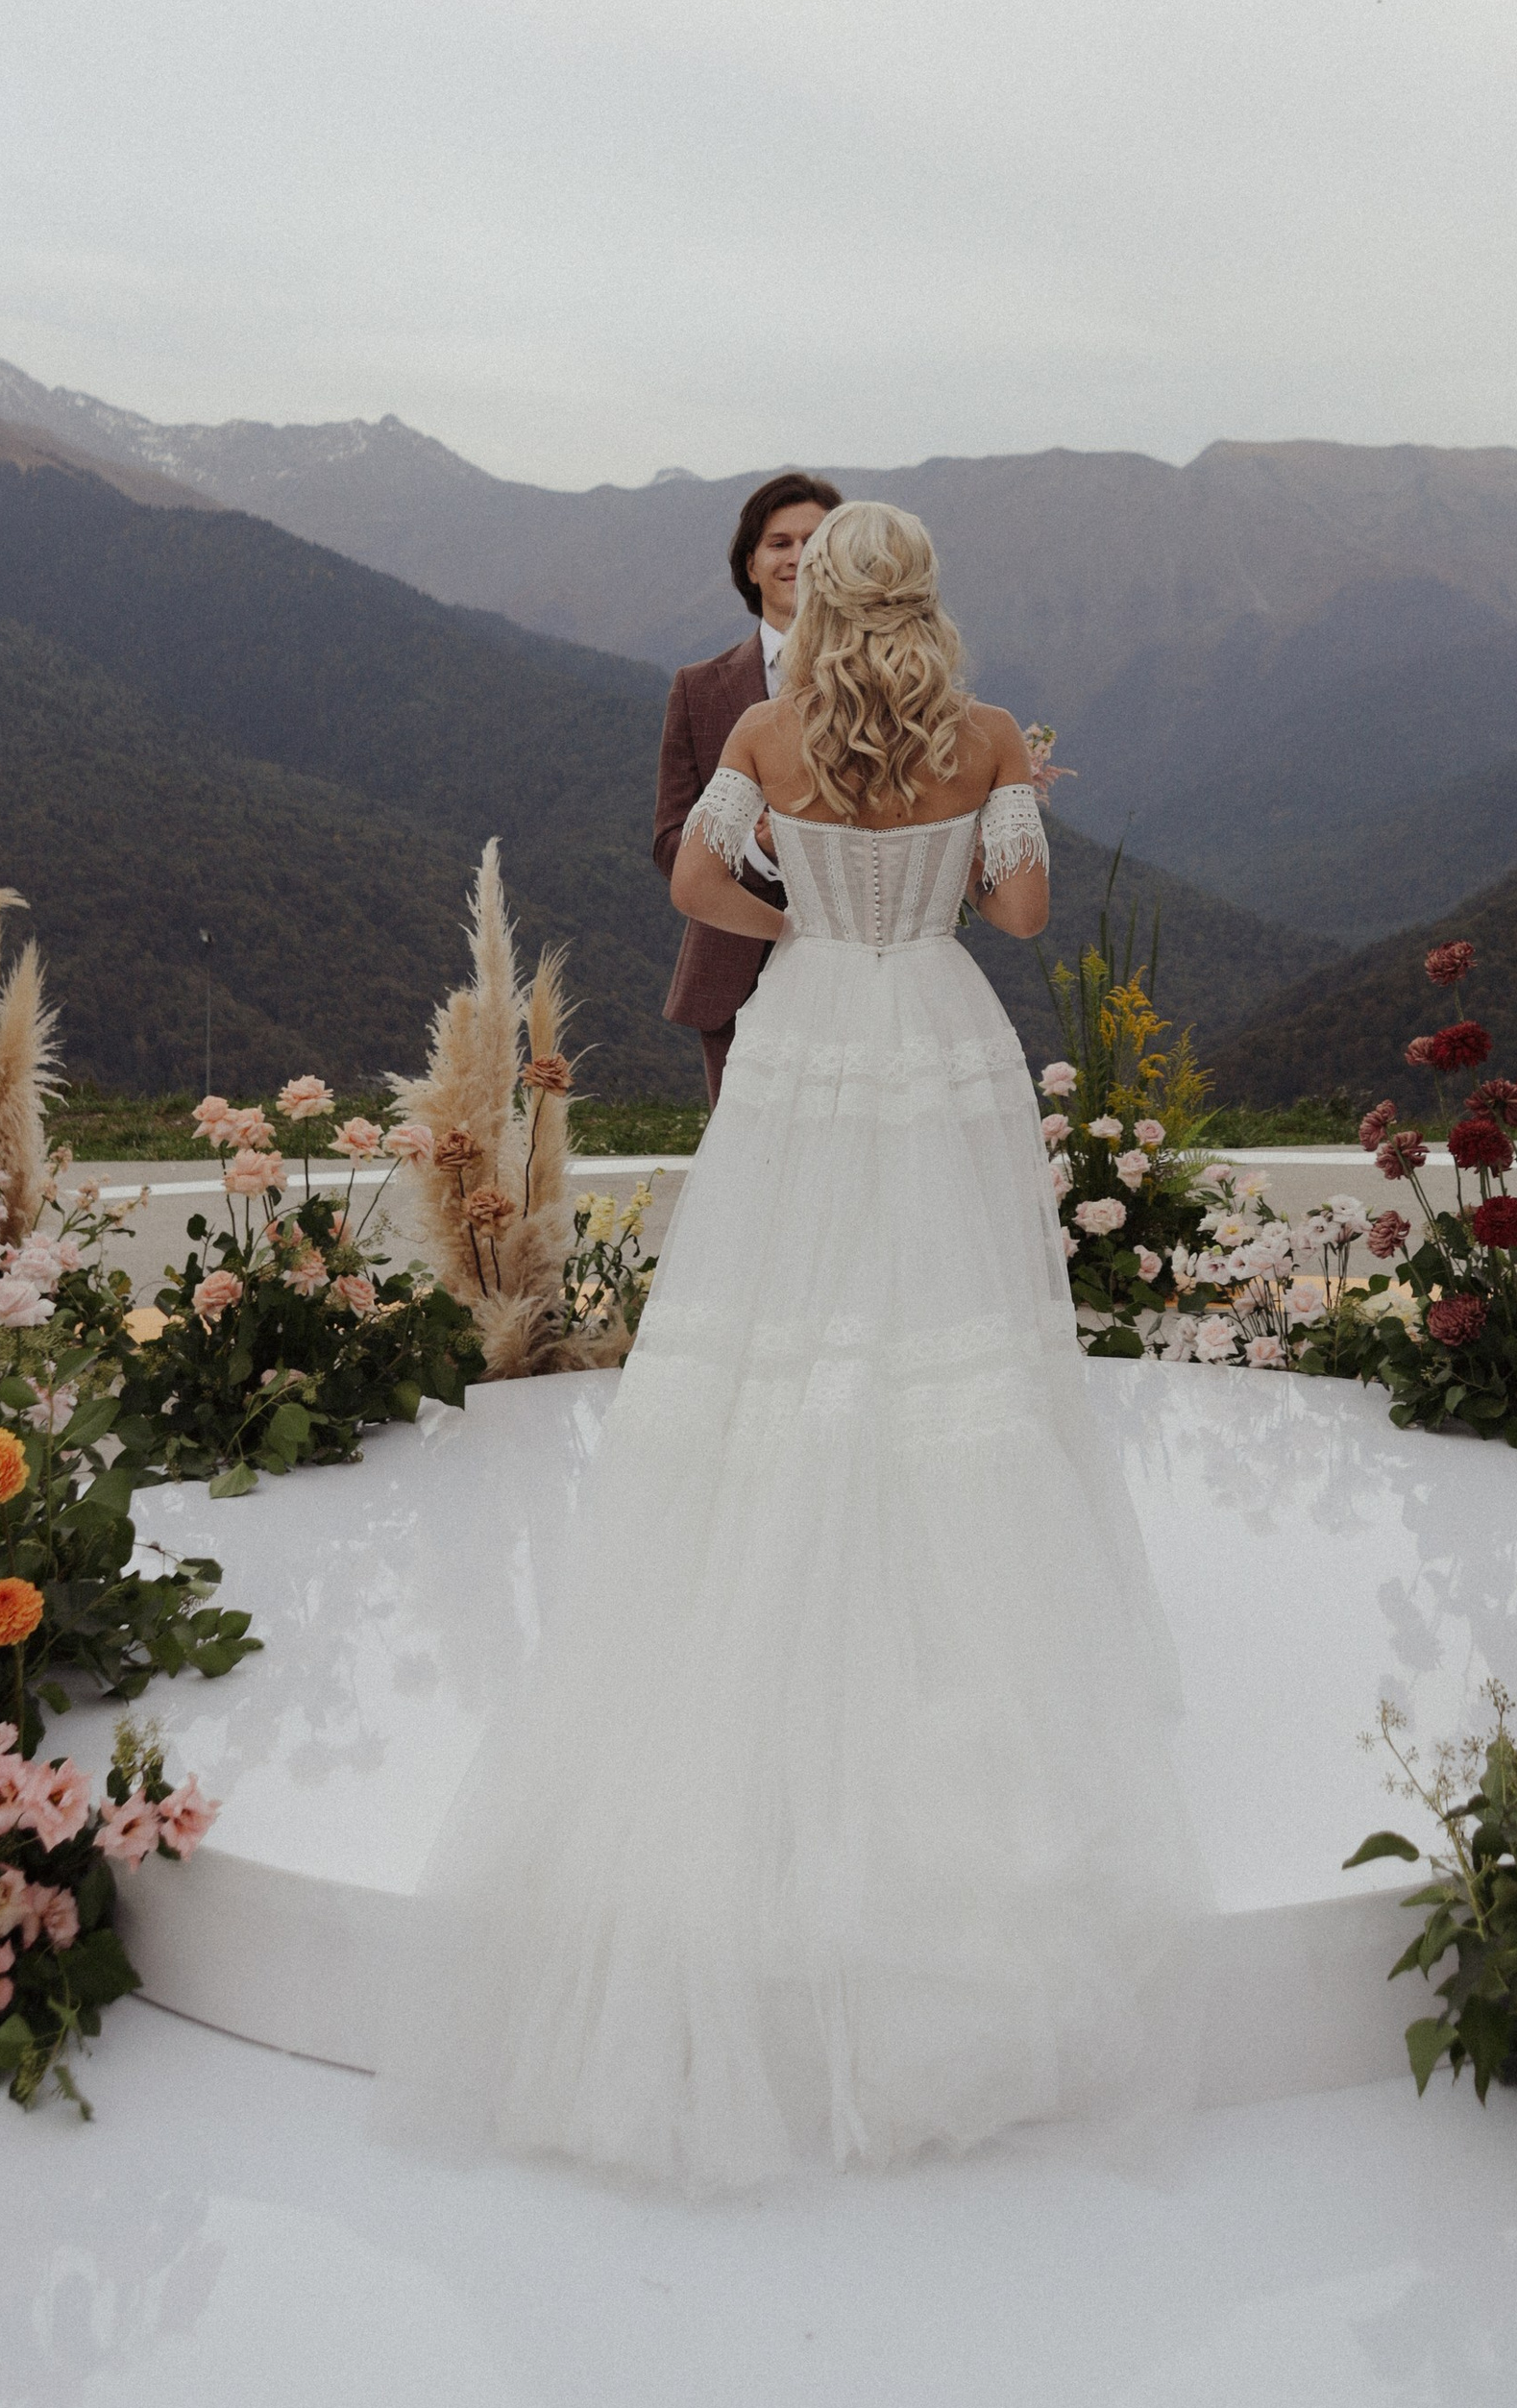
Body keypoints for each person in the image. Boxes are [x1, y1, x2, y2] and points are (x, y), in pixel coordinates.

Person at [384, 502, 1205, 2190]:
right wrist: (1008, 817)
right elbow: (1031, 918)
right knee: (952, 1323)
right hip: (939, 1028)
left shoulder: (766, 726)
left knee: (780, 1320)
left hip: (811, 1021)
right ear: (928, 596)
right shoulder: (982, 734)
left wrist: (814, 934)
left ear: (817, 595)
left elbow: (694, 877)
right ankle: (962, 1618)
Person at [652, 468, 838, 1106]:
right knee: (746, 1183)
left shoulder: (892, 686)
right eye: (780, 543)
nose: (798, 557)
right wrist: (756, 848)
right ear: (751, 565)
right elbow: (671, 843)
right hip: (734, 977)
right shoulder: (698, 689)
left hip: (859, 978)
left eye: (816, 541)